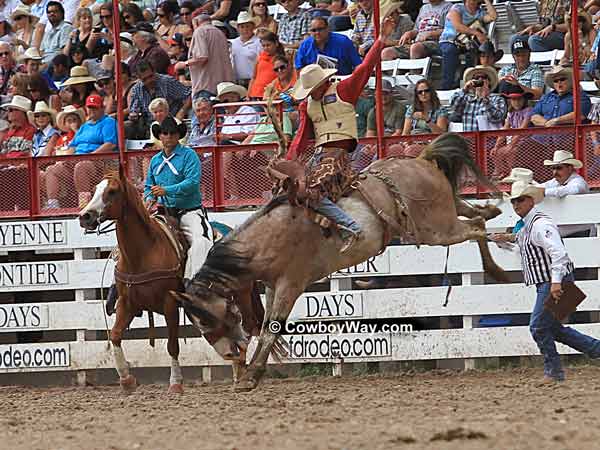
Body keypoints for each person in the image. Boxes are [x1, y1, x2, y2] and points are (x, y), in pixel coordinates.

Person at [288, 17, 395, 253]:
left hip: (339, 153)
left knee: (312, 190)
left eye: (310, 89)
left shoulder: (344, 90)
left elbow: (364, 69)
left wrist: (380, 42)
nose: (309, 94)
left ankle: (351, 227)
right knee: (290, 191)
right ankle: (321, 230)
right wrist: (288, 162)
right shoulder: (307, 106)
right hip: (319, 155)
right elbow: (300, 138)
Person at [489, 181, 600, 382]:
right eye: (514, 201)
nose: (516, 205)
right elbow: (522, 238)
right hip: (555, 281)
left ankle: (554, 371)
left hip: (555, 282)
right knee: (551, 328)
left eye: (520, 200)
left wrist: (556, 282)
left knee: (538, 326)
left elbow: (559, 253)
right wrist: (504, 237)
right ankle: (596, 350)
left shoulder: (540, 224)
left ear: (531, 200)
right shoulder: (531, 225)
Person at [145, 116, 213, 281]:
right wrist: (148, 198)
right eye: (165, 133)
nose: (168, 137)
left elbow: (192, 183)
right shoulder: (155, 160)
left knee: (201, 241)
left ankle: (194, 282)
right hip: (163, 213)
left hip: (188, 211)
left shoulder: (189, 155)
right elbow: (149, 186)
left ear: (178, 136)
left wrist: (165, 190)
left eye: (172, 133)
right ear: (159, 136)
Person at [438, 0, 497, 89]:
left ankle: (469, 85)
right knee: (450, 50)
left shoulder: (480, 13)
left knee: (474, 53)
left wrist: (487, 1)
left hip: (466, 45)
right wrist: (477, 33)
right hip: (448, 41)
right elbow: (458, 26)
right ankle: (447, 87)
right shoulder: (457, 7)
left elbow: (494, 17)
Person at [128, 61, 192, 138]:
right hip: (149, 127)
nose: (149, 81)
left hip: (172, 124)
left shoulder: (167, 82)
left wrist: (181, 112)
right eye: (144, 79)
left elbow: (189, 94)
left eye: (151, 76)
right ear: (139, 79)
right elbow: (134, 111)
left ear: (154, 71)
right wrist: (134, 115)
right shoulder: (137, 89)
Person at [540, 150, 591, 238]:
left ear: (570, 168)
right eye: (553, 168)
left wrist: (543, 192)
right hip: (564, 232)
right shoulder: (555, 182)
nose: (555, 172)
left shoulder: (578, 181)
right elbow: (540, 187)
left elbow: (575, 189)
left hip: (579, 231)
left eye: (559, 168)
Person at [489, 83, 533, 181]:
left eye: (519, 99)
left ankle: (512, 172)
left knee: (510, 152)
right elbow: (504, 130)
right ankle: (502, 171)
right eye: (513, 99)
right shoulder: (510, 113)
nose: (516, 102)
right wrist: (496, 146)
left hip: (526, 142)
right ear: (510, 101)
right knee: (495, 153)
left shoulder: (528, 110)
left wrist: (511, 145)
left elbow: (521, 130)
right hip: (514, 141)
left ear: (524, 99)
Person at [183, 14, 234, 98]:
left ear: (196, 22)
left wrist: (184, 64)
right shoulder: (220, 32)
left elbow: (202, 57)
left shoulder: (199, 31)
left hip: (205, 87)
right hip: (223, 87)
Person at [382, 0, 451, 61]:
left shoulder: (448, 7)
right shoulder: (424, 8)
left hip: (436, 42)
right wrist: (409, 33)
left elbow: (450, 30)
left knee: (415, 48)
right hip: (417, 42)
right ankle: (398, 75)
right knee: (387, 53)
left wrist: (430, 33)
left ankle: (414, 74)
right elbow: (417, 29)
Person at [295, 16, 362, 76]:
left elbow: (358, 65)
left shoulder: (343, 41)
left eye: (320, 29)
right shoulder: (305, 45)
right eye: (314, 30)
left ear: (328, 28)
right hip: (314, 82)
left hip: (341, 80)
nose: (317, 33)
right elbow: (298, 69)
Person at [449, 65, 506, 132]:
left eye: (483, 77)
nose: (480, 80)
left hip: (488, 141)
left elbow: (497, 118)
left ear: (489, 81)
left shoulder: (497, 99)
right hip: (470, 141)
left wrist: (486, 99)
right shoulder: (466, 99)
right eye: (476, 77)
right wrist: (465, 89)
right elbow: (454, 107)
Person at [248, 31, 285, 99]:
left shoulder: (282, 59)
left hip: (272, 95)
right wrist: (248, 94)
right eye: (263, 46)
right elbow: (253, 77)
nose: (265, 48)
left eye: (268, 45)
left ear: (276, 43)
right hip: (255, 94)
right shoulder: (260, 58)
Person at [231, 11, 262, 88]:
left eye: (247, 26)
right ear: (238, 29)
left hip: (254, 81)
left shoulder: (259, 42)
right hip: (237, 82)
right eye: (242, 27)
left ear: (253, 27)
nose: (245, 29)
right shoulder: (233, 43)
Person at [40, 1, 73, 67]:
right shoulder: (48, 32)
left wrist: (46, 64)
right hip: (43, 63)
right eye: (49, 12)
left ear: (62, 13)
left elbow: (63, 53)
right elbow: (41, 52)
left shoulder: (66, 27)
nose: (51, 14)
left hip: (56, 65)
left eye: (55, 11)